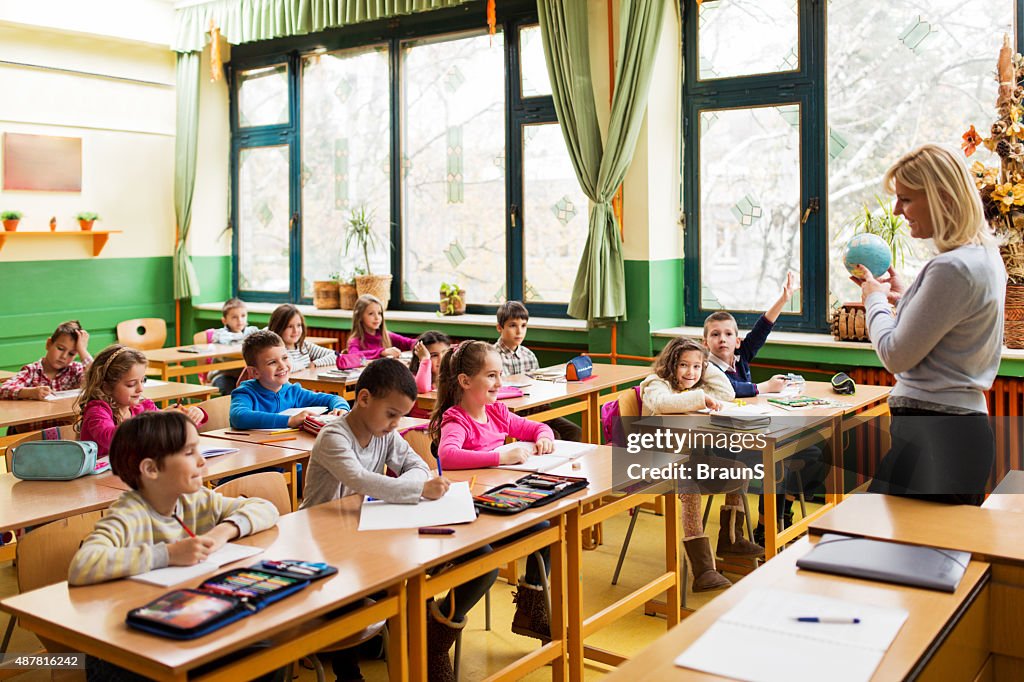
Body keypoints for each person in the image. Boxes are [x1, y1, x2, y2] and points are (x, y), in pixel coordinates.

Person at [68, 411, 281, 682]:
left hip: (184, 624)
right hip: (126, 649)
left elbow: (265, 508)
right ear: (151, 469)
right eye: (189, 452)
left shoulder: (196, 499)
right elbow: (83, 564)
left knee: (263, 654)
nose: (202, 461)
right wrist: (167, 554)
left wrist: (222, 533)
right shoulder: (128, 514)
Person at [853, 143, 1004, 505]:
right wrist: (907, 298)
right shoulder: (982, 256)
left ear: (941, 197)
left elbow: (895, 354)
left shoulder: (951, 268)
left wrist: (873, 298)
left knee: (877, 540)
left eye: (905, 199)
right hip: (950, 434)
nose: (897, 210)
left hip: (934, 437)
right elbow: (949, 329)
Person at [300, 358, 450, 681]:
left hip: (362, 530)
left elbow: (418, 464)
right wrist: (419, 489)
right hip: (318, 540)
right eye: (391, 414)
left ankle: (407, 647)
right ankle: (348, 673)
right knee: (350, 591)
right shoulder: (333, 437)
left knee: (405, 574)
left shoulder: (384, 432)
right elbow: (362, 480)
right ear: (364, 398)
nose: (396, 424)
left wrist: (416, 482)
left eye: (401, 417)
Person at [429, 341, 553, 650]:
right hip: (467, 514)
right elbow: (449, 454)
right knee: (486, 565)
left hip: (497, 506)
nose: (500, 383)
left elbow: (536, 428)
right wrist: (500, 456)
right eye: (492, 376)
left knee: (546, 530)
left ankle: (529, 612)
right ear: (465, 381)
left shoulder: (496, 412)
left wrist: (544, 437)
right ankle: (439, 632)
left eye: (500, 375)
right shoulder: (456, 419)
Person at [702, 274, 828, 545]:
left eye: (728, 334)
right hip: (728, 441)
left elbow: (763, 328)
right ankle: (765, 527)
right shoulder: (706, 369)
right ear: (705, 344)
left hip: (757, 429)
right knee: (779, 459)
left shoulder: (741, 356)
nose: (722, 339)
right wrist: (764, 387)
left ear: (737, 341)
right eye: (715, 335)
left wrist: (783, 298)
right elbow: (728, 392)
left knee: (814, 450)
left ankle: (783, 513)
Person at [639, 337, 763, 592]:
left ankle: (731, 538)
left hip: (689, 457)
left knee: (739, 466)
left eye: (697, 367)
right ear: (671, 362)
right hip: (656, 461)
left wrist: (705, 364)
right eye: (684, 365)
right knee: (690, 482)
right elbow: (663, 404)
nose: (690, 372)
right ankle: (703, 569)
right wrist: (700, 395)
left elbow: (727, 392)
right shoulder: (655, 383)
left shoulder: (697, 383)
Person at [77, 345, 206, 456]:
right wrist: (152, 422)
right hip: (99, 481)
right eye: (131, 384)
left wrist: (192, 415)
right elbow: (113, 439)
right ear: (107, 387)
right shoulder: (97, 411)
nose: (140, 389)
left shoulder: (142, 407)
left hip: (132, 473)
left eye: (143, 380)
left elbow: (165, 431)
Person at [493, 300, 583, 441]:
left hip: (536, 410)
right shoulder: (492, 357)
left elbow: (538, 386)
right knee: (555, 436)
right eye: (512, 326)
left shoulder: (529, 355)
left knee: (575, 431)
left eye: (523, 326)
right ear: (499, 327)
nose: (519, 331)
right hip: (513, 417)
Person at [229, 330, 349, 430]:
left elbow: (333, 399)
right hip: (255, 452)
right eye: (272, 362)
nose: (282, 366)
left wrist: (341, 409)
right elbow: (239, 417)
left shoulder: (293, 392)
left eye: (285, 358)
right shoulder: (246, 393)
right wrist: (289, 420)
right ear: (255, 372)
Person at [0, 320, 92, 433]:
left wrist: (83, 350)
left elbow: (98, 378)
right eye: (60, 348)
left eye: (71, 354)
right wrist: (31, 392)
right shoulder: (32, 371)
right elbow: (4, 389)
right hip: (31, 436)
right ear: (49, 344)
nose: (63, 356)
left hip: (64, 437)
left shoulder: (75, 371)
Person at [207, 298, 259, 395]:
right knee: (231, 392)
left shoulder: (252, 331)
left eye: (243, 316)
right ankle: (230, 409)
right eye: (234, 317)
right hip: (223, 374)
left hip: (244, 374)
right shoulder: (220, 334)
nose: (240, 320)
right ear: (224, 320)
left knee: (257, 388)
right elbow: (227, 340)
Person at [267, 304, 336, 372]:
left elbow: (336, 356)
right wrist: (305, 366)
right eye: (289, 326)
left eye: (299, 325)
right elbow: (288, 367)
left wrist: (315, 363)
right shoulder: (277, 350)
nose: (295, 331)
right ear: (278, 328)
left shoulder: (303, 345)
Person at [347, 294, 415, 361]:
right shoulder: (355, 341)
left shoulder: (386, 336)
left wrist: (420, 346)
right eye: (371, 313)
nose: (377, 318)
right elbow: (352, 356)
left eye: (379, 313)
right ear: (360, 317)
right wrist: (382, 352)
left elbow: (411, 342)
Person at [408, 330, 451, 418]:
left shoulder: (452, 378)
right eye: (434, 355)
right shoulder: (412, 378)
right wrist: (425, 359)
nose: (441, 359)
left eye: (445, 353)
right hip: (420, 427)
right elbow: (422, 388)